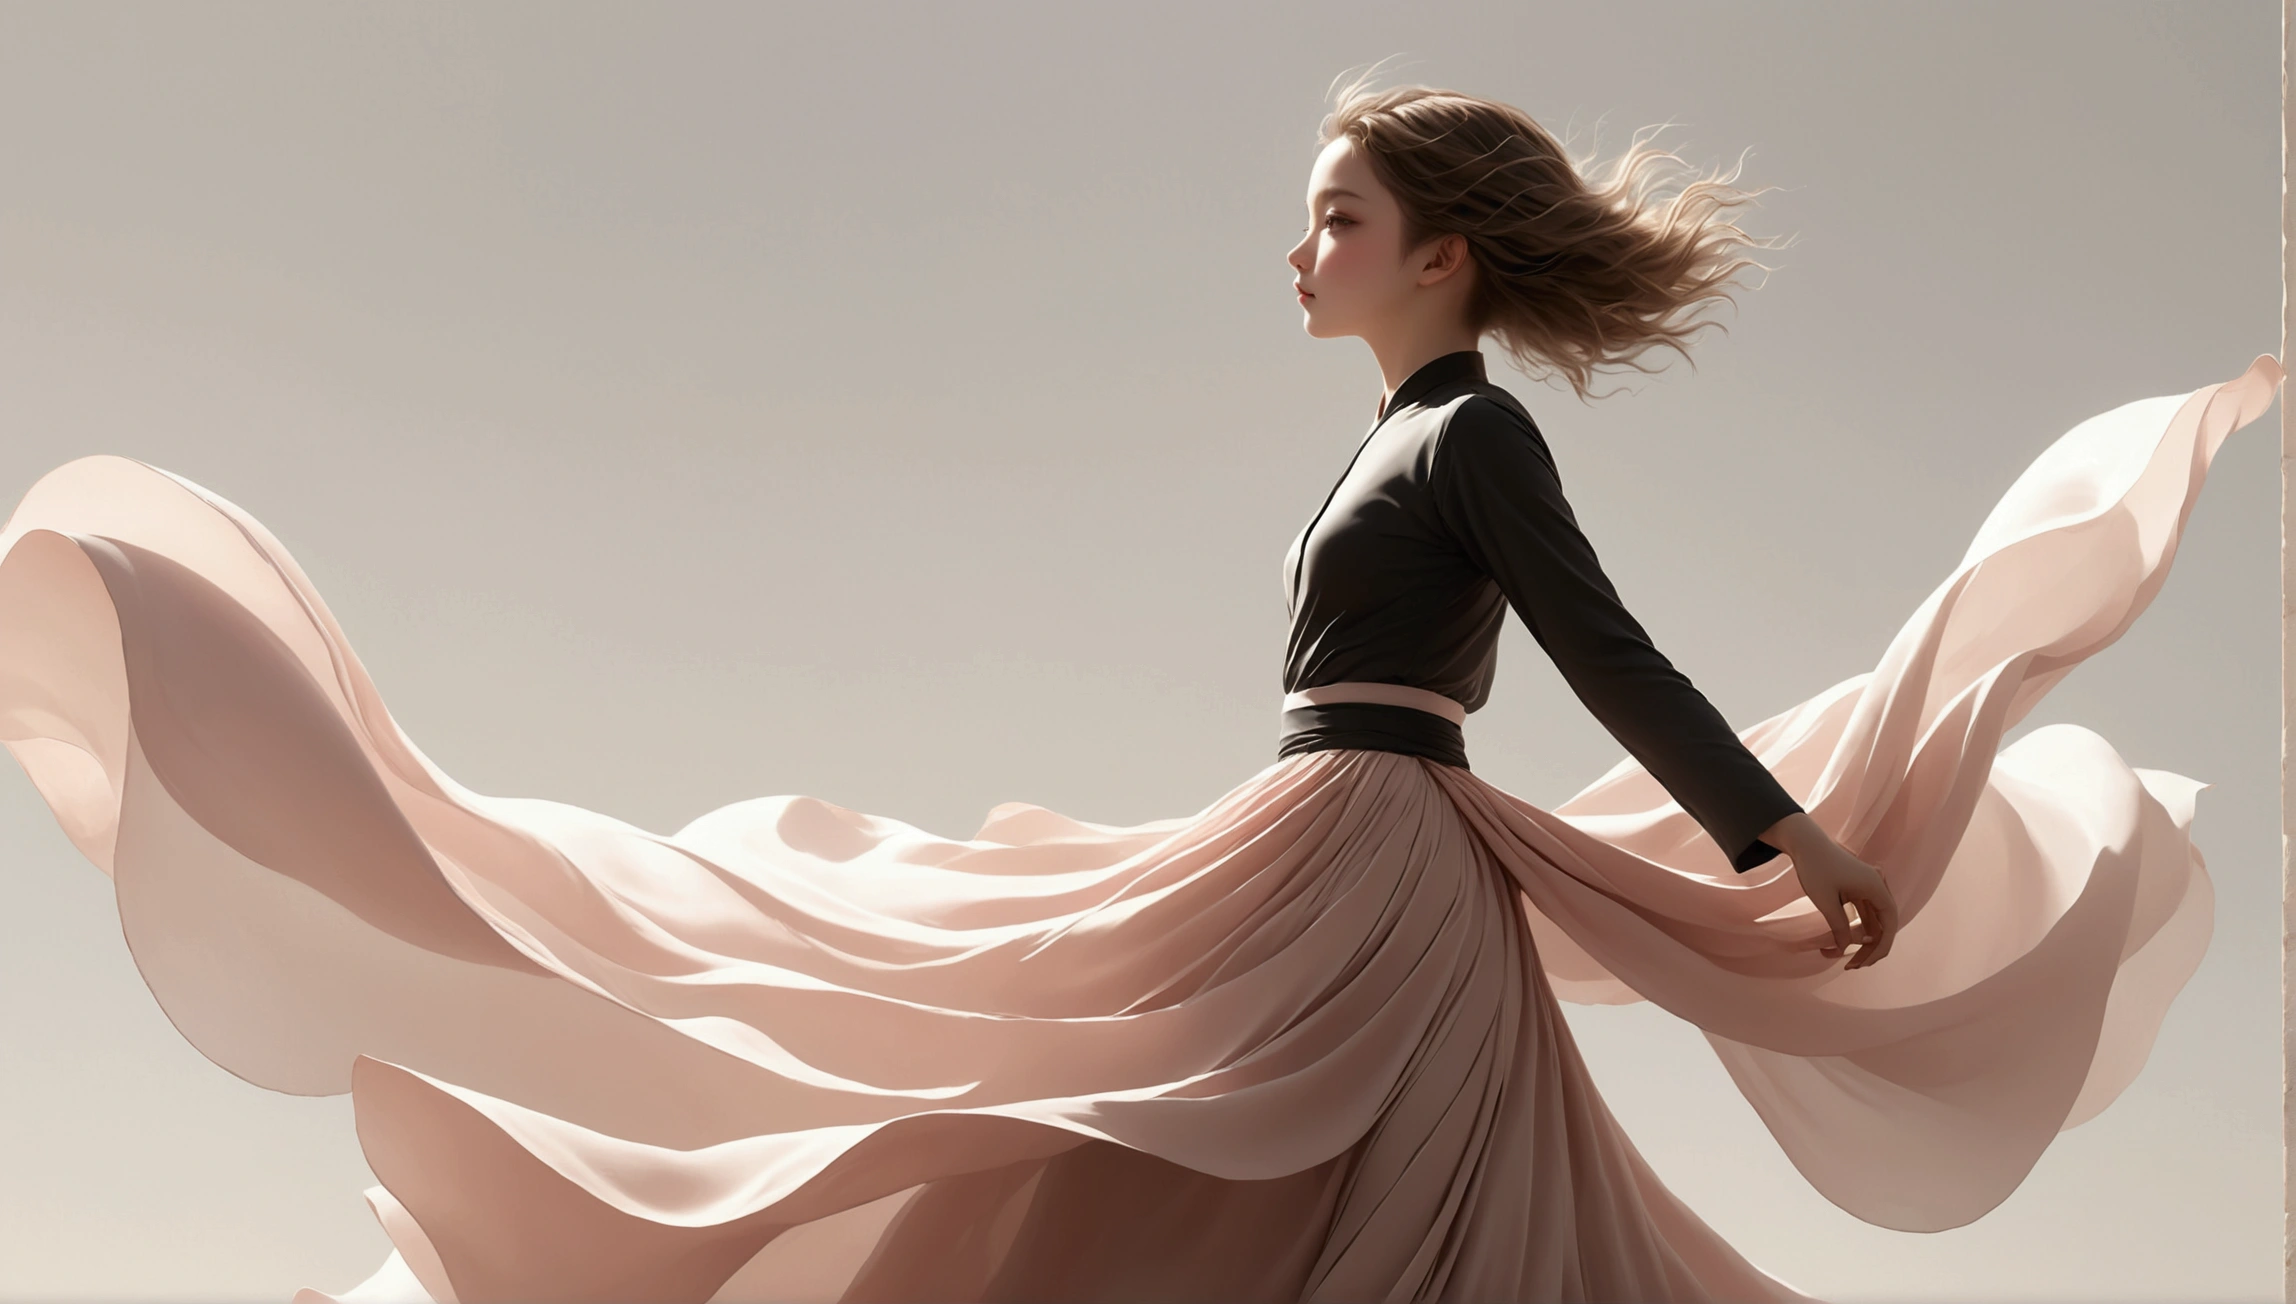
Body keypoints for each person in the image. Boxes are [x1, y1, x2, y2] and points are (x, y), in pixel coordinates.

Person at [0, 77, 2268, 1304]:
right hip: (1325, 847)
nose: (1297, 248)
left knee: (1166, 1151)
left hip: (1380, 866)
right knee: (1060, 1101)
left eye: (1333, 217)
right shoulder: (1386, 446)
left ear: (1438, 253)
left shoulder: (1467, 434)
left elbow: (1603, 649)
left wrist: (1790, 835)